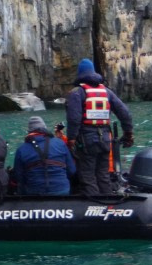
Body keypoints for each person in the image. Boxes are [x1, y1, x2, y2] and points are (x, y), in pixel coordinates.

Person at [65, 58, 134, 196]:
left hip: (86, 141)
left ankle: (95, 207)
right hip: (105, 140)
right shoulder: (107, 92)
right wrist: (128, 132)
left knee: (87, 176)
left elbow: (74, 118)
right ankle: (109, 204)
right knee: (103, 175)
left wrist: (71, 138)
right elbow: (124, 113)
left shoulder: (77, 93)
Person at [11, 116, 76, 195]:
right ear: (45, 128)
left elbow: (19, 176)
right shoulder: (60, 143)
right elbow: (72, 170)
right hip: (61, 189)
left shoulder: (21, 149)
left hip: (34, 192)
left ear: (29, 132)